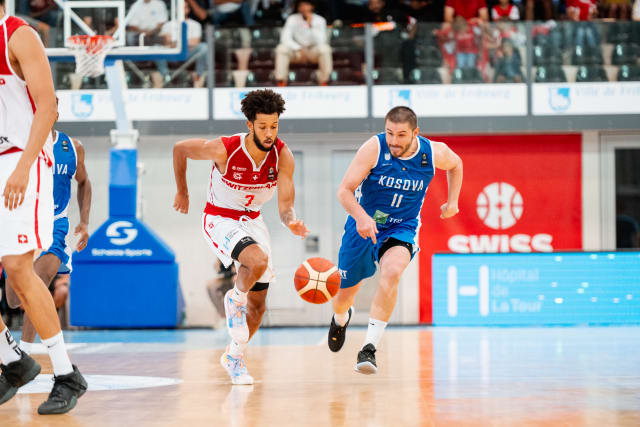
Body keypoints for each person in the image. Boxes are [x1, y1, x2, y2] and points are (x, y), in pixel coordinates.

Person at [172, 89, 309, 384]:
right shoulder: (226, 149)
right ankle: (235, 298)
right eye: (263, 126)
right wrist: (182, 191)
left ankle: (234, 356)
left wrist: (291, 222)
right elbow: (180, 149)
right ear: (250, 125)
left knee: (258, 307)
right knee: (256, 261)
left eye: (274, 126)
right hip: (219, 218)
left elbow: (285, 205)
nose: (269, 133)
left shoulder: (283, 156)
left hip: (253, 222)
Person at [327, 106, 463, 374]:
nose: (394, 141)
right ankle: (341, 318)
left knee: (392, 272)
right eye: (389, 133)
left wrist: (453, 202)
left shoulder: (433, 152)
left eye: (401, 135)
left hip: (402, 226)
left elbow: (456, 164)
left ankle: (369, 348)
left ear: (415, 133)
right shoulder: (374, 148)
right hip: (365, 223)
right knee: (343, 297)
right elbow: (344, 190)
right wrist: (361, 217)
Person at [0, 2, 87, 414]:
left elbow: (48, 106)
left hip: (23, 161)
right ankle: (13, 360)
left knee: (20, 271)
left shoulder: (17, 34)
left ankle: (66, 374)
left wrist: (22, 167)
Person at [4, 118, 92, 356]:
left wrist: (84, 222)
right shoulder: (18, 145)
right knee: (13, 299)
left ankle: (24, 353)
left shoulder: (72, 147)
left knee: (39, 282)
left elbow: (84, 182)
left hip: (55, 223)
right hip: (23, 222)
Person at [275, 0, 332, 86]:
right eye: (302, 5)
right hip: (297, 52)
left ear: (312, 6)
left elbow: (321, 41)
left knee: (325, 49)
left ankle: (324, 81)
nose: (304, 8)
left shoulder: (320, 20)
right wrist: (298, 48)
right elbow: (285, 38)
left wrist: (311, 25)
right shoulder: (292, 19)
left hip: (312, 52)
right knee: (281, 48)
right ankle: (281, 81)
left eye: (307, 5)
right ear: (298, 8)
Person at [153, 1, 208, 88]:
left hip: (188, 53)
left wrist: (175, 42)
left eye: (185, 7)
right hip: (171, 54)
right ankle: (165, 76)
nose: (182, 9)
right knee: (156, 48)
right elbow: (164, 41)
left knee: (204, 47)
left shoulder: (195, 24)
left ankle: (198, 76)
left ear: (188, 9)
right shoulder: (168, 25)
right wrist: (181, 42)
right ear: (176, 9)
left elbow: (195, 42)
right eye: (180, 7)